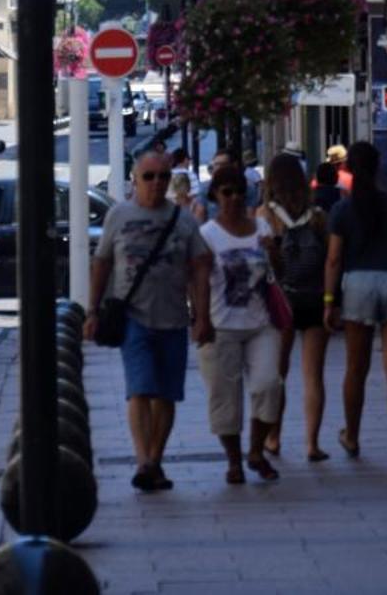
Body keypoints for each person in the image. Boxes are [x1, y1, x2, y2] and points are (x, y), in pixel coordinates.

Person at [85, 149, 213, 493]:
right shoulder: (119, 215)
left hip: (173, 319)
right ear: (135, 180)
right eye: (149, 176)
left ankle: (155, 460)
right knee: (140, 388)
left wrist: (203, 316)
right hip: (133, 318)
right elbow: (102, 263)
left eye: (162, 177)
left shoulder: (184, 220)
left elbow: (201, 267)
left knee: (167, 395)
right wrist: (92, 311)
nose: (156, 183)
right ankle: (143, 459)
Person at [325, 141, 387, 461]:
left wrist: (328, 300)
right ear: (379, 168)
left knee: (355, 368)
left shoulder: (342, 209)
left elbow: (334, 259)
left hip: (358, 284)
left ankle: (352, 435)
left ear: (348, 169)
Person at [196, 164, 282, 484]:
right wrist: (201, 320)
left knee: (268, 384)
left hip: (262, 322)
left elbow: (278, 275)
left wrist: (275, 254)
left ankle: (256, 450)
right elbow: (200, 282)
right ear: (216, 196)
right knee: (225, 397)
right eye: (226, 192)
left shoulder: (261, 228)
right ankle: (234, 460)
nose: (233, 198)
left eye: (238, 191)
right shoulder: (207, 235)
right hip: (222, 325)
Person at [260, 152, 331, 462]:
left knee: (279, 372)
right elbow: (330, 260)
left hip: (283, 299)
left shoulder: (265, 215)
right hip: (314, 297)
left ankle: (274, 437)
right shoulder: (317, 216)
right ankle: (312, 443)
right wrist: (331, 299)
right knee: (313, 375)